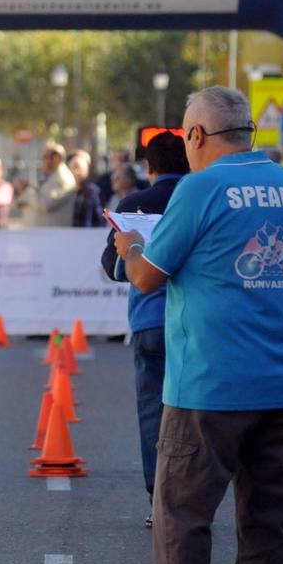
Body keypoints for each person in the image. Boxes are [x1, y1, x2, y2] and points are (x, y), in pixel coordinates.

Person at [113, 87, 283, 564]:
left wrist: (130, 245)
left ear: (197, 137)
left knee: (181, 515)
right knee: (267, 520)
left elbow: (150, 277)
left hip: (211, 383)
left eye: (184, 136)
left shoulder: (199, 189)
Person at [100, 132, 188, 525]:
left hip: (151, 321)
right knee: (193, 412)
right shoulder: (200, 199)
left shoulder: (134, 203)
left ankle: (159, 502)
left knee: (154, 409)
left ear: (148, 168)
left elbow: (111, 266)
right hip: (198, 324)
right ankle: (192, 496)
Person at [20, 142, 76, 226]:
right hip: (42, 233)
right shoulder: (48, 176)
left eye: (45, 157)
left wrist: (27, 190)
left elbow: (46, 205)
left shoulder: (64, 179)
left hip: (54, 234)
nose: (42, 161)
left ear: (56, 158)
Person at [68, 150, 104, 228]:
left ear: (86, 171)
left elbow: (99, 218)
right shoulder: (63, 191)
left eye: (79, 168)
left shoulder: (93, 191)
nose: (77, 172)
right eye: (73, 167)